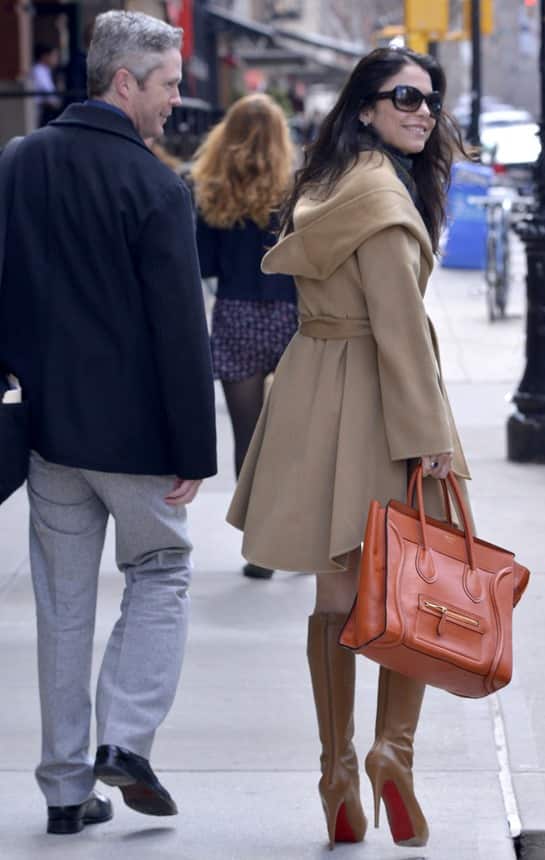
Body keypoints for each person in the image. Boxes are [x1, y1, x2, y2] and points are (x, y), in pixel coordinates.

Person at [227, 46, 472, 848]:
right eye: (404, 97)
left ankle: (336, 773)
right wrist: (431, 438)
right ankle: (391, 752)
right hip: (380, 402)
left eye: (430, 99)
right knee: (409, 592)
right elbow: (399, 328)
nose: (423, 110)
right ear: (364, 105)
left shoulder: (328, 183)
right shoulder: (384, 201)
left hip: (313, 392)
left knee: (335, 598)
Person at [0, 11, 216, 835]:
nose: (175, 100)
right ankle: (124, 740)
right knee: (160, 571)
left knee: (61, 605)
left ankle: (64, 792)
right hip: (137, 440)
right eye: (166, 84)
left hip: (50, 432)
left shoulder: (18, 161)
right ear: (124, 82)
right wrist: (195, 447)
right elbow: (178, 331)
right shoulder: (155, 186)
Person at [191, 93, 297, 580]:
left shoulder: (211, 190)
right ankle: (305, 540)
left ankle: (258, 547)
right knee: (301, 434)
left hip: (236, 314)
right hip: (293, 316)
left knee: (248, 437)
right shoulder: (299, 190)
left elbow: (204, 264)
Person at [30, 43, 62, 127]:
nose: (56, 59)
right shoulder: (38, 70)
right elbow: (49, 95)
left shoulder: (45, 70)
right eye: (54, 56)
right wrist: (56, 103)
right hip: (40, 112)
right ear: (44, 56)